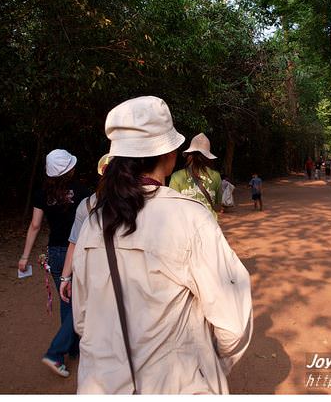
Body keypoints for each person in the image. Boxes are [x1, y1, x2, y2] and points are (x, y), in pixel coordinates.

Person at [72, 96, 252, 394]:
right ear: (169, 154)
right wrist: (209, 368)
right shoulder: (190, 217)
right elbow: (233, 322)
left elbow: (82, 318)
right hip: (176, 385)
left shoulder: (94, 222)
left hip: (100, 386)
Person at [18, 149, 90, 377]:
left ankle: (72, 347)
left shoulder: (41, 194)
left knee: (66, 298)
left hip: (55, 253)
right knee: (80, 302)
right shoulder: (82, 192)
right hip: (76, 251)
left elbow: (35, 225)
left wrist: (24, 256)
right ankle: (56, 352)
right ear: (69, 170)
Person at [59, 153, 112, 304]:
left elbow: (74, 242)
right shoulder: (134, 203)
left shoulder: (87, 204)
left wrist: (65, 277)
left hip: (93, 273)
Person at [169, 133, 222, 218]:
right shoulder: (216, 176)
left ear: (189, 154)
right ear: (207, 156)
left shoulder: (176, 176)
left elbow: (173, 206)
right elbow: (218, 206)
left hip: (186, 227)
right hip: (209, 226)